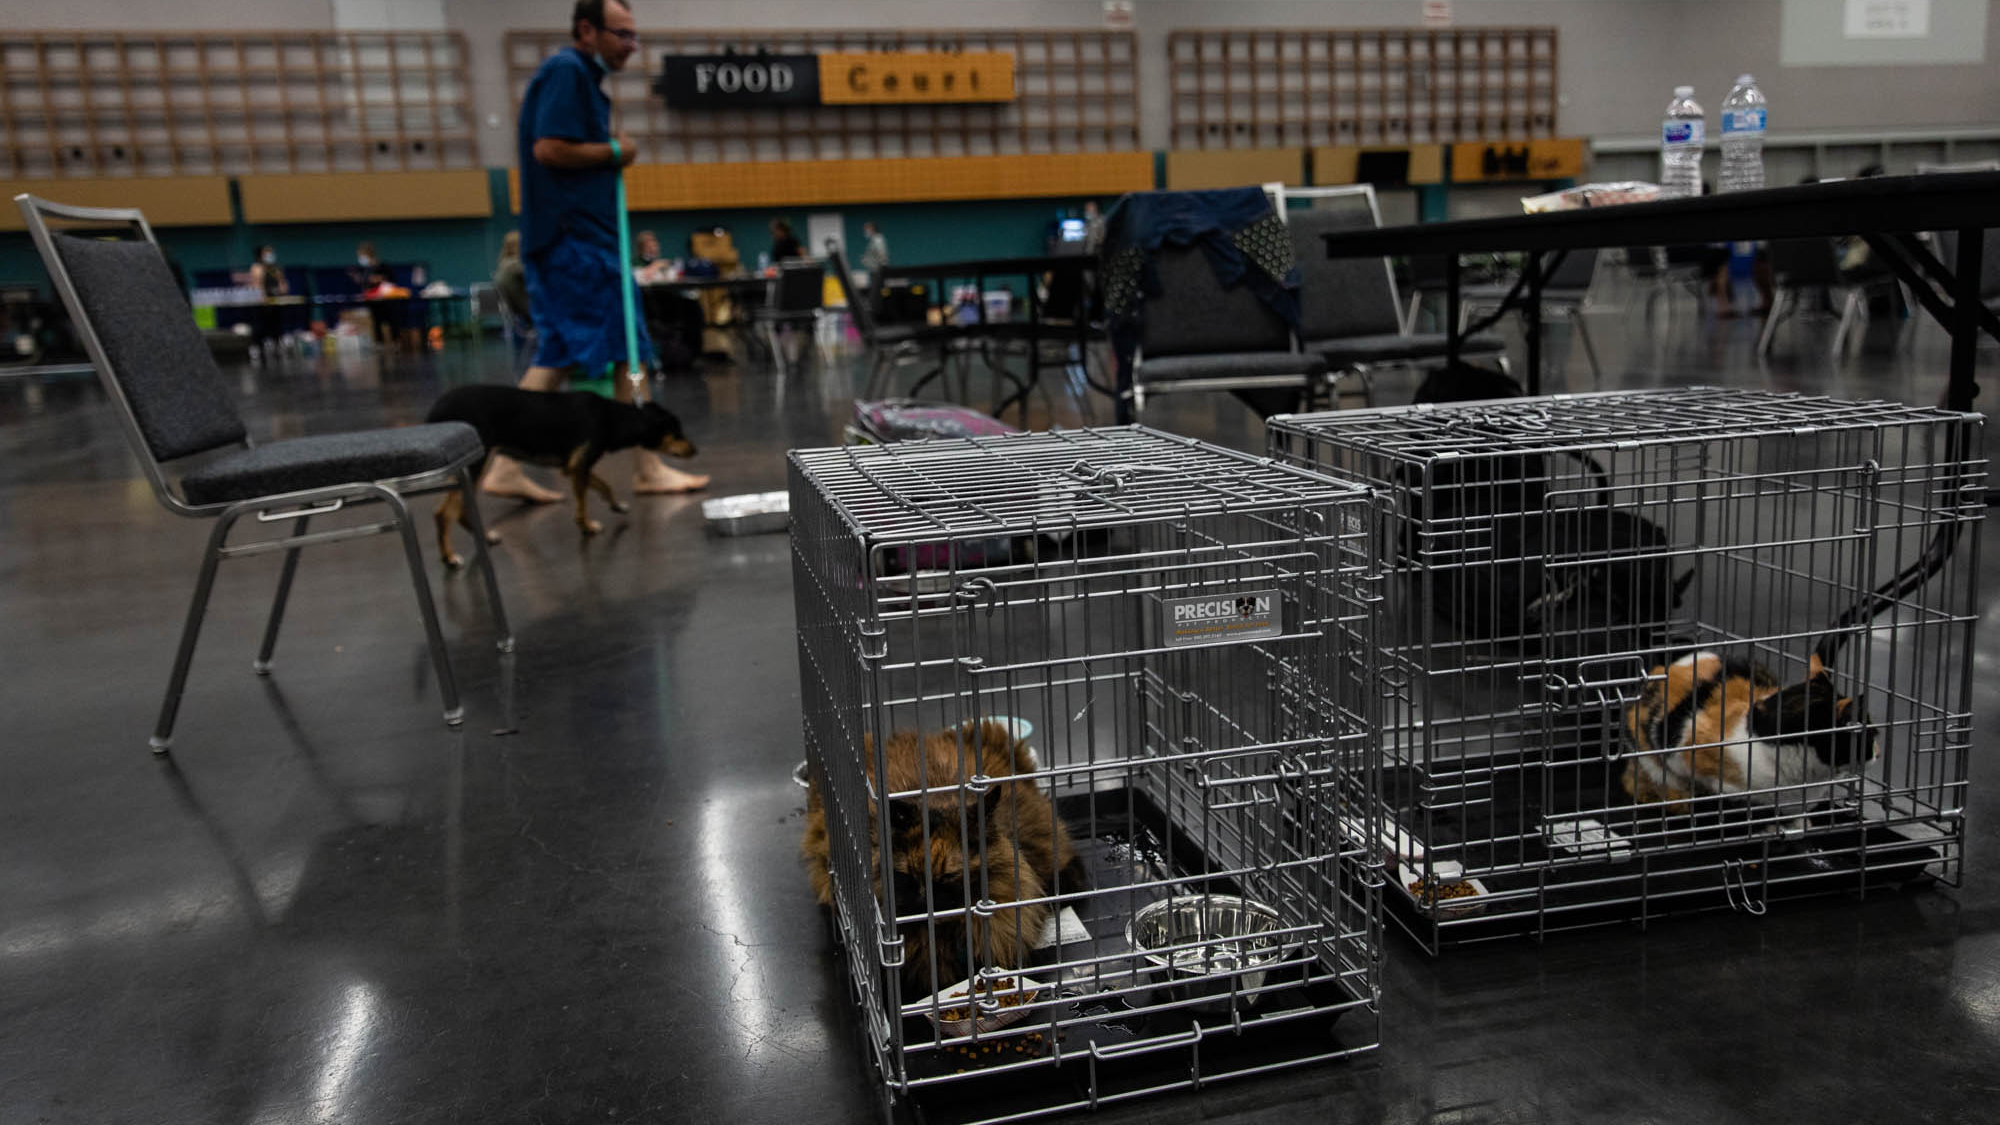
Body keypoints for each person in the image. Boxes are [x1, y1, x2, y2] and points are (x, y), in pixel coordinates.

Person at [484, 0, 707, 501]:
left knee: (559, 354)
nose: (631, 45)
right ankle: (648, 466)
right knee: (630, 349)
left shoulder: (581, 77)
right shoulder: (567, 71)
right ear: (587, 30)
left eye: (634, 36)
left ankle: (500, 466)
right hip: (576, 246)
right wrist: (614, 152)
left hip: (575, 241)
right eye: (622, 34)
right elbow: (549, 149)